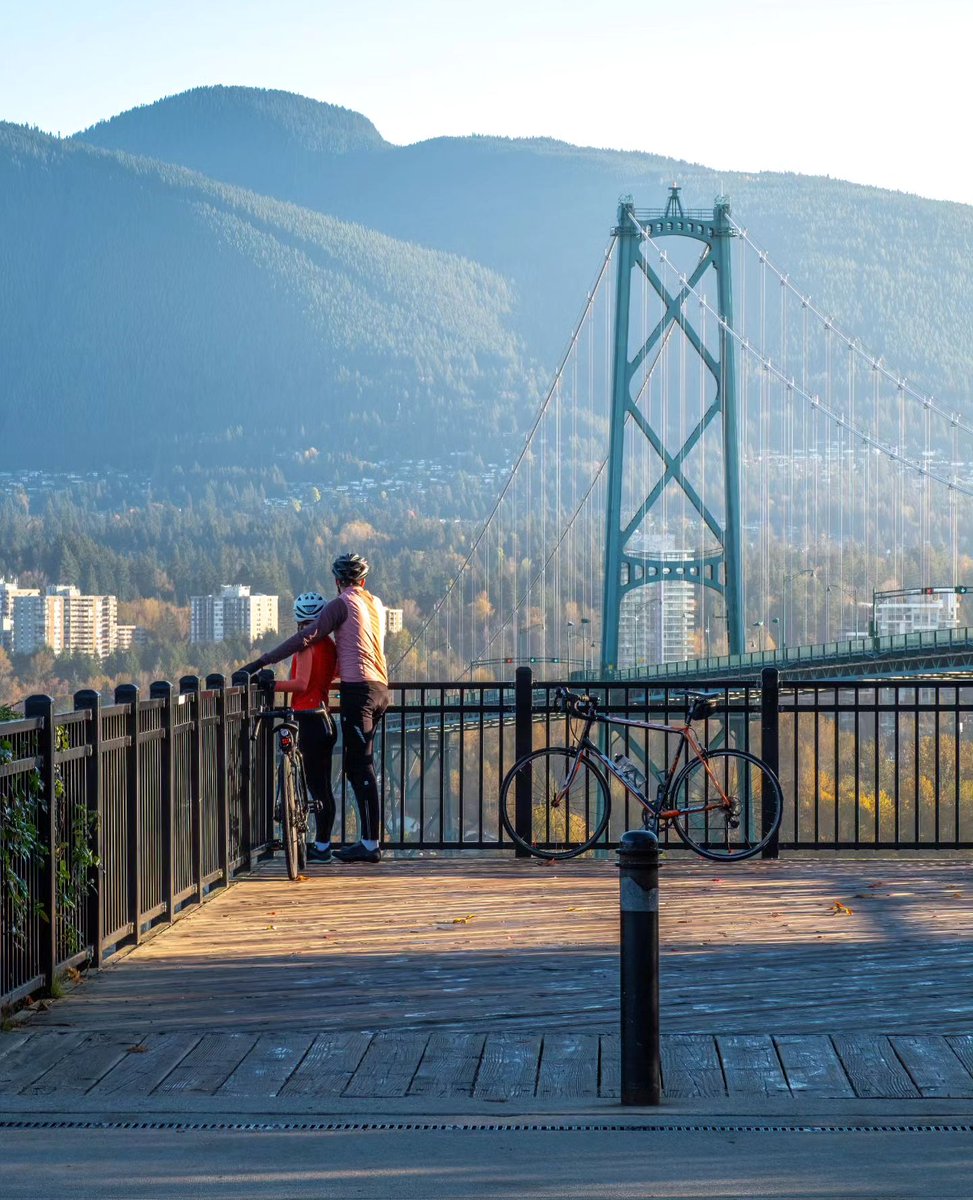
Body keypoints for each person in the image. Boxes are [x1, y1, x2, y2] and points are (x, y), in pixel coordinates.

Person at [242, 554, 389, 863]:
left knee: (359, 768)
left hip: (358, 691)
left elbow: (306, 636)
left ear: (338, 582)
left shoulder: (342, 603)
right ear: (363, 580)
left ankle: (369, 843)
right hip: (380, 689)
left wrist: (262, 662)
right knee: (364, 765)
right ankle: (367, 841)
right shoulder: (374, 603)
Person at [272, 592, 339, 864]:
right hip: (325, 718)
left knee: (311, 784)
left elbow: (300, 684)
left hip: (306, 718)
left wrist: (271, 685)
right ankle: (323, 845)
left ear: (298, 620)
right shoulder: (330, 645)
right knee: (323, 788)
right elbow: (333, 675)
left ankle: (318, 847)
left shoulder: (306, 645)